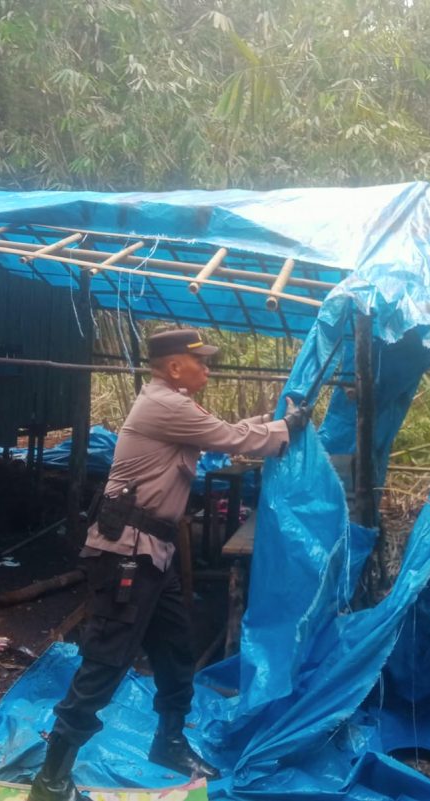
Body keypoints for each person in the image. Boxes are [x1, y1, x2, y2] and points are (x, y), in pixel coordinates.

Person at [29, 328, 310, 801]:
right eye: (200, 361)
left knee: (176, 650)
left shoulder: (175, 402)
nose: (207, 369)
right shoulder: (165, 405)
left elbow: (224, 431)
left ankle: (169, 742)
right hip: (127, 555)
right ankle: (52, 776)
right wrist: (285, 429)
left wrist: (272, 420)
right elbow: (229, 438)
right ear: (175, 366)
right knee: (105, 662)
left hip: (151, 554)